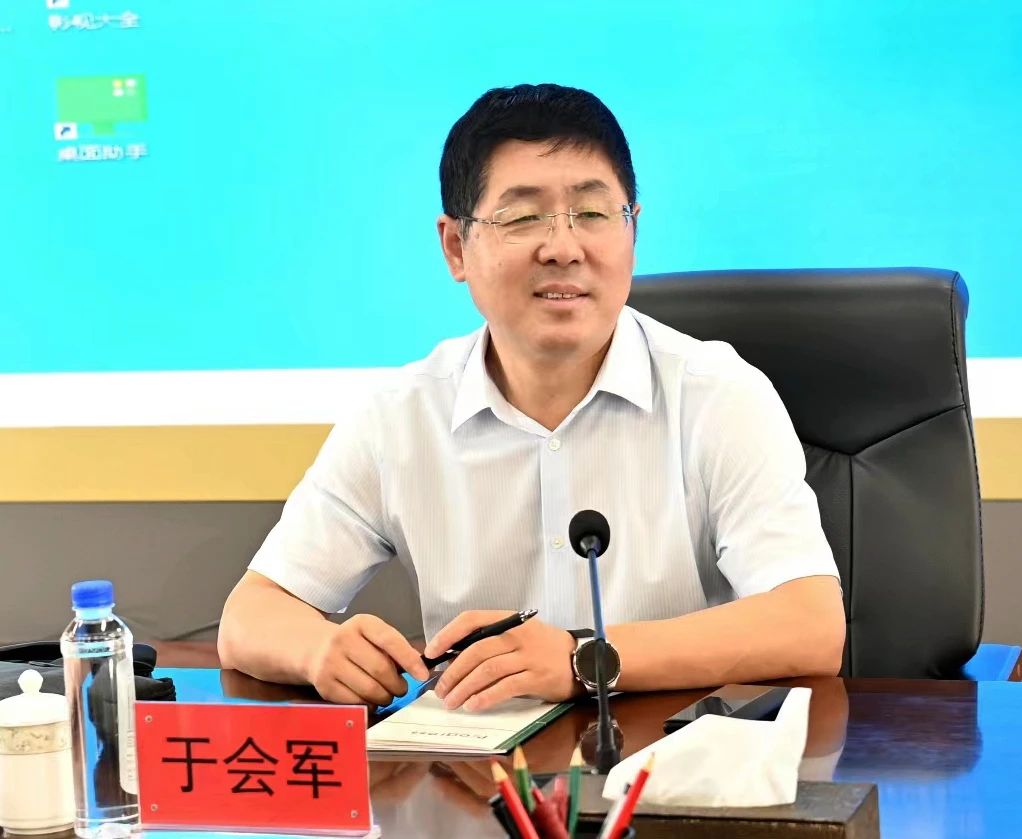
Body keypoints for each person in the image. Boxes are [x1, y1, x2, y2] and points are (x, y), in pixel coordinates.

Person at [218, 83, 845, 713]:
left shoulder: (717, 394)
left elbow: (810, 625)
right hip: (475, 765)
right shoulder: (399, 416)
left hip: (673, 759)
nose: (564, 248)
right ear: (456, 247)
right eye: (522, 218)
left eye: (593, 213)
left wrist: (583, 658)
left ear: (633, 229)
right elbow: (251, 617)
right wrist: (320, 650)